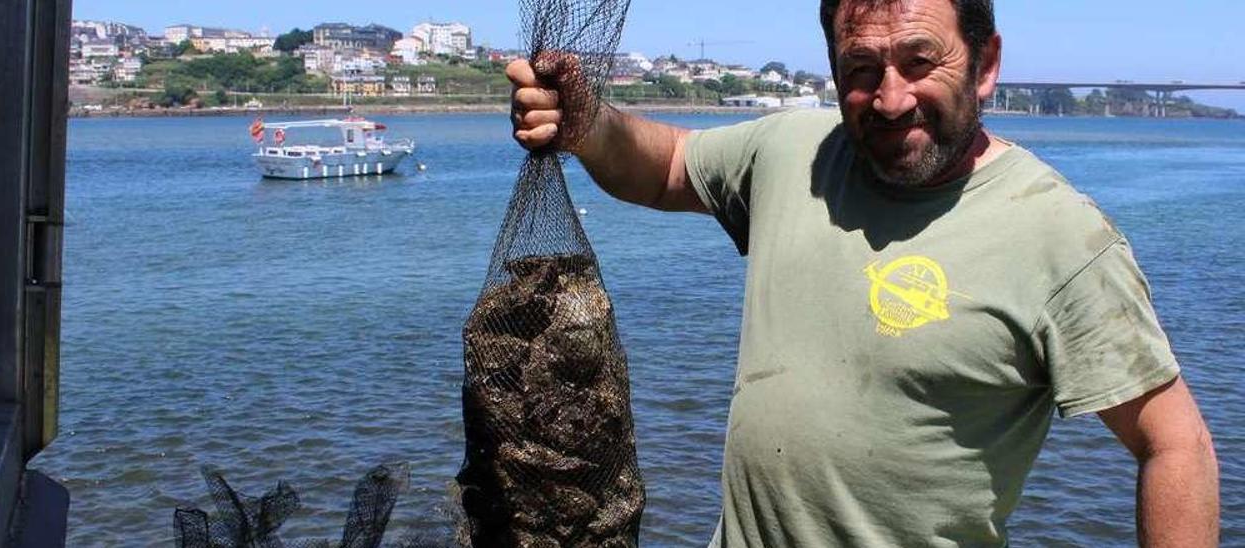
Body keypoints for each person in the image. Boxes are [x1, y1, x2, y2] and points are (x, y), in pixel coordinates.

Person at [505, 0, 1220, 545]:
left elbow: (1175, 443)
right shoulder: (795, 151)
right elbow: (662, 167)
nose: (890, 98)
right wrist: (589, 124)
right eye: (861, 70)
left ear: (986, 62)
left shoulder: (1060, 235)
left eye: (920, 62)